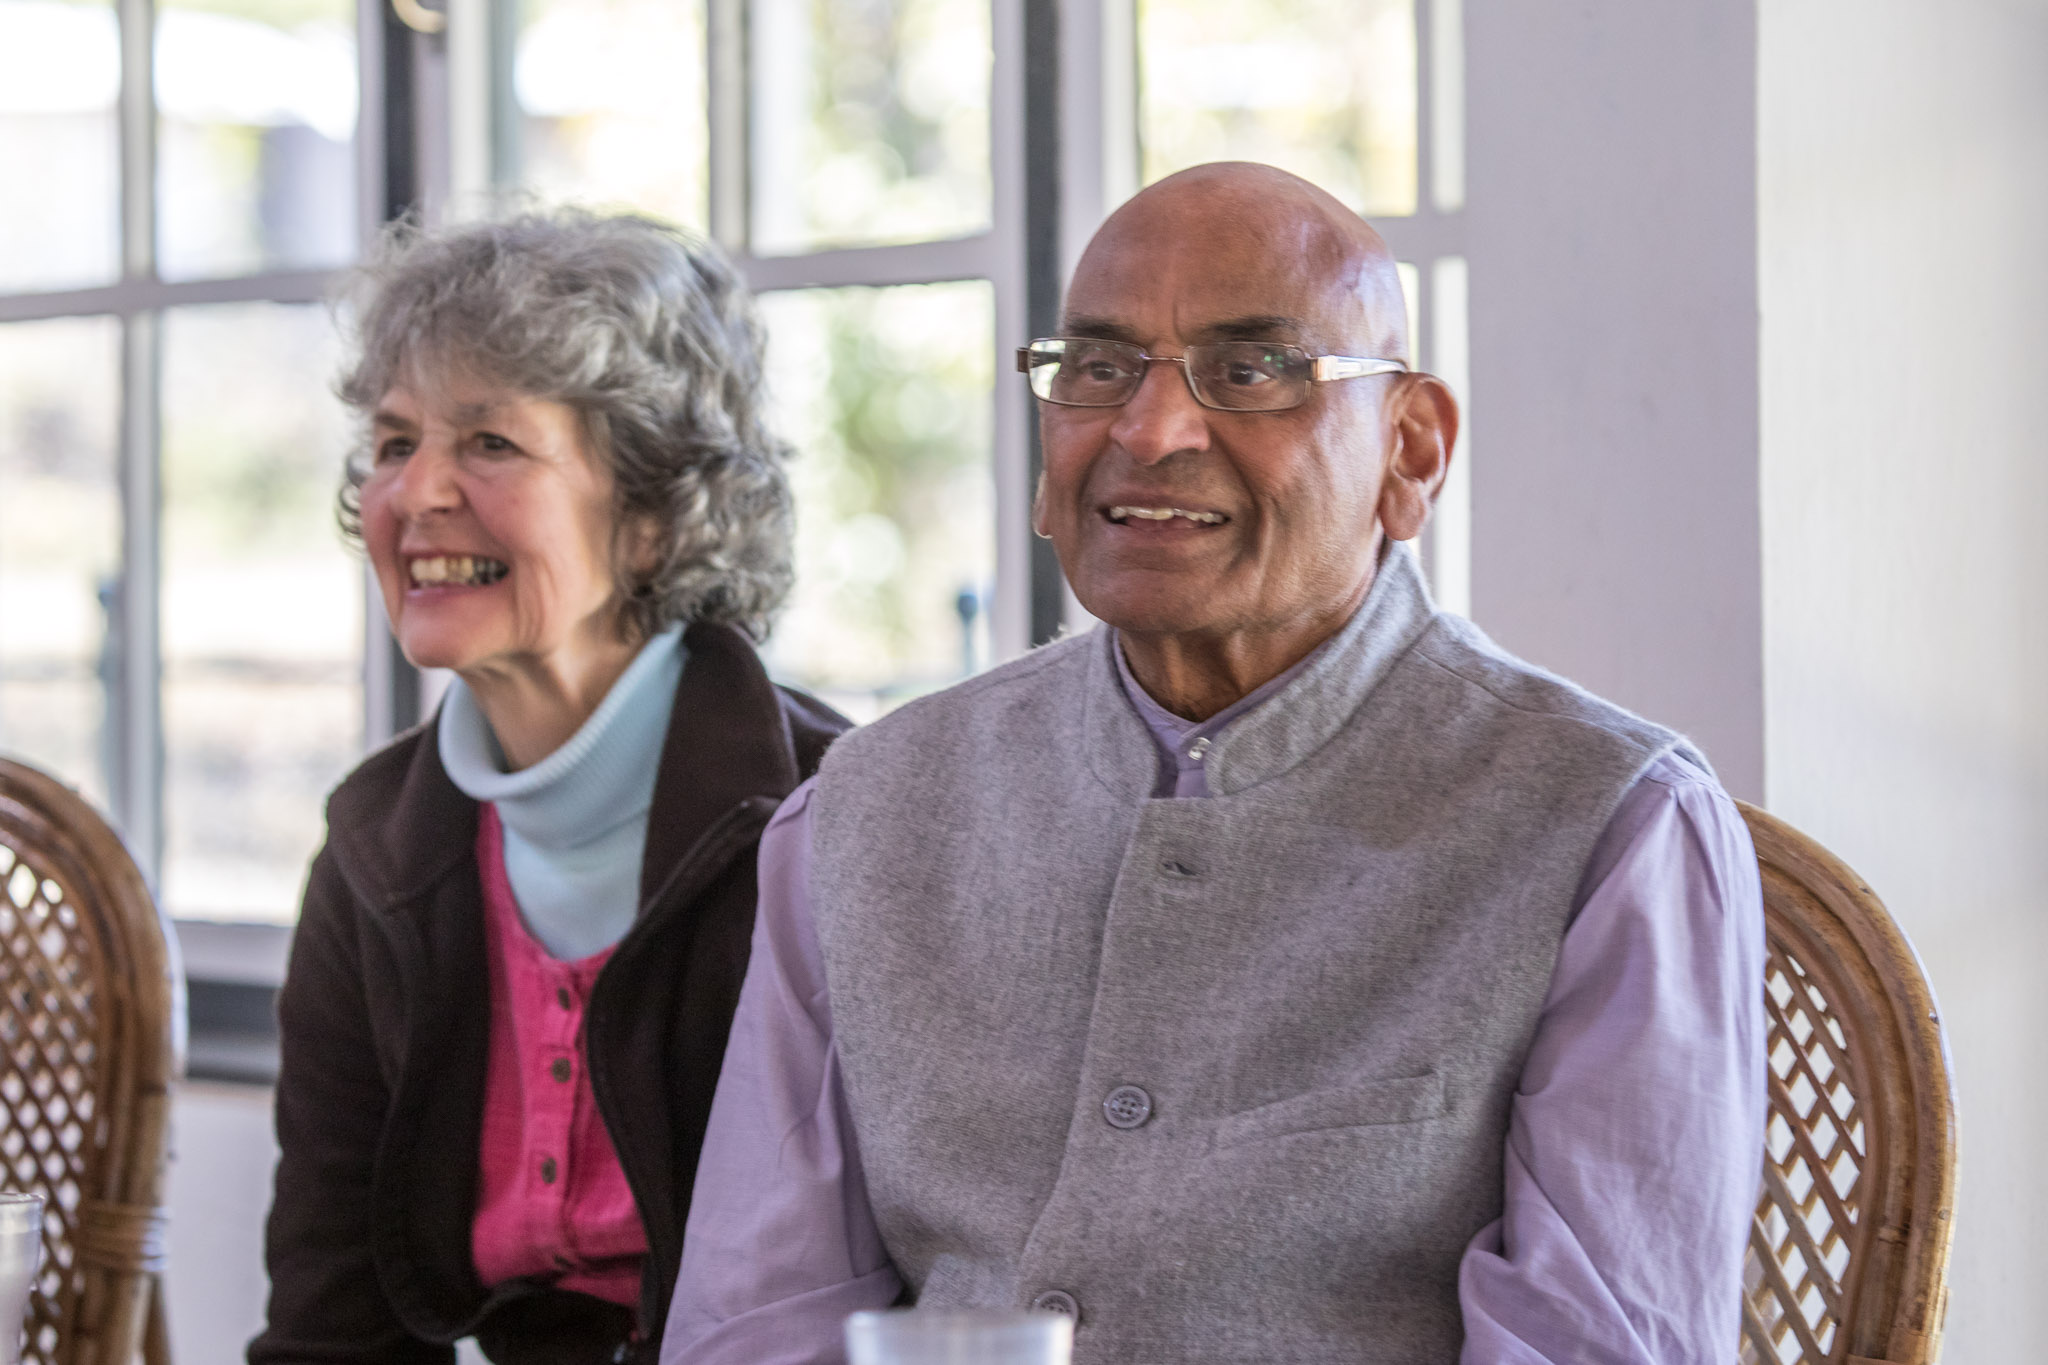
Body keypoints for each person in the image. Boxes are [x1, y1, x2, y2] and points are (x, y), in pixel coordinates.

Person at [661, 163, 1765, 1365]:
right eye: (1097, 368)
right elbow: (753, 1329)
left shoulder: (1605, 826)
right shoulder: (864, 811)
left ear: (1409, 451)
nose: (1147, 430)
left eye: (1250, 371)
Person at [251, 210, 846, 1365]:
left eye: (489, 442)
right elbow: (332, 1326)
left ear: (651, 517)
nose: (416, 492)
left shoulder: (829, 822)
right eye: (392, 442)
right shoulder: (373, 846)